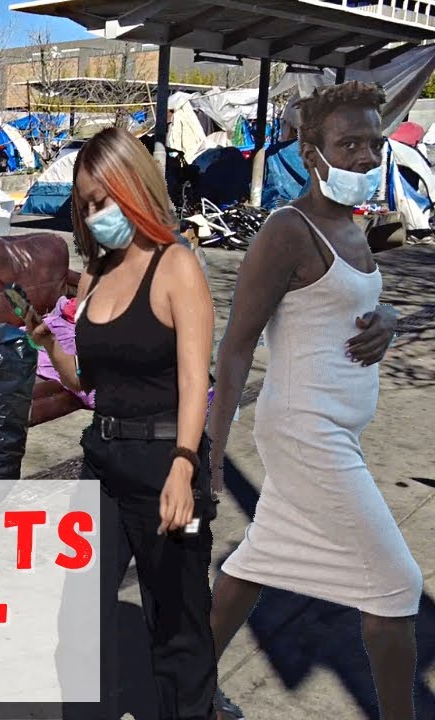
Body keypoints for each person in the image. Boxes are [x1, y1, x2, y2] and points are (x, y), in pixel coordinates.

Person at [206, 82, 419, 720]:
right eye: (348, 144)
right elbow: (236, 346)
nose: (365, 156)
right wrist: (211, 456)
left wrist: (389, 319)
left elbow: (346, 307)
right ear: (310, 152)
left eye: (373, 143)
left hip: (337, 429)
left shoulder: (352, 225)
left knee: (254, 563)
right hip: (307, 433)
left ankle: (186, 687)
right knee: (397, 587)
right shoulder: (287, 230)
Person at [23, 127, 218, 719]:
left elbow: (195, 382)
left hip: (166, 466)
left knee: (178, 630)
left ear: (135, 185)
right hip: (103, 465)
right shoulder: (95, 275)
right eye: (86, 205)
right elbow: (89, 382)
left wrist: (184, 467)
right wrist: (50, 347)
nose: (95, 215)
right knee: (77, 622)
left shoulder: (176, 266)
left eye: (103, 199)